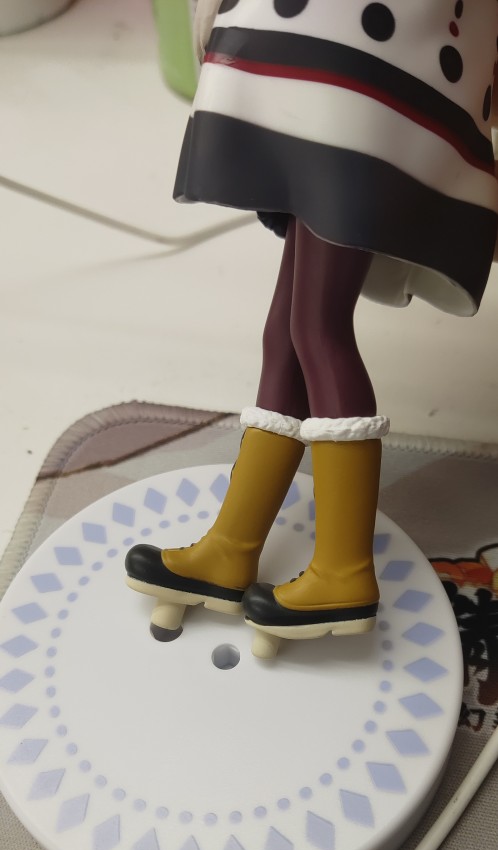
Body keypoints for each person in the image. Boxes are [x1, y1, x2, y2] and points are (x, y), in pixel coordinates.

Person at [126, 0, 498, 655]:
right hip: (337, 59)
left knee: (318, 325)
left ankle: (344, 569)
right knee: (288, 331)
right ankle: (231, 547)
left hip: (368, 73)